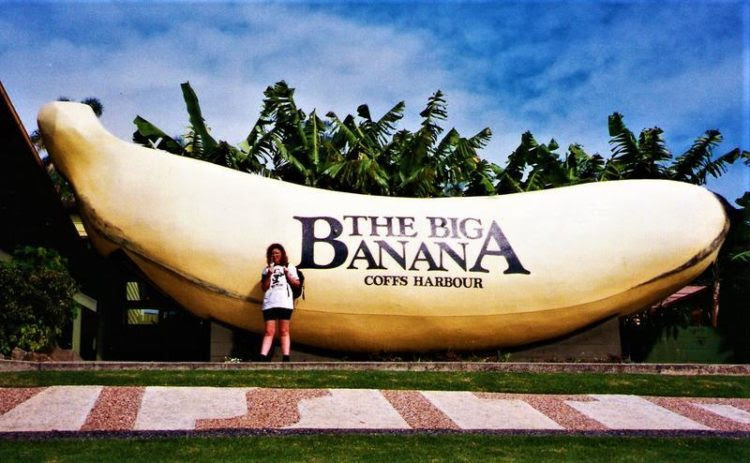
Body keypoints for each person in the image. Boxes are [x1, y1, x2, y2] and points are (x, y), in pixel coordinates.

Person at [259, 243, 300, 362]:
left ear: (282, 255)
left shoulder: (289, 266)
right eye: (272, 254)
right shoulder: (266, 269)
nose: (275, 255)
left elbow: (297, 283)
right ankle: (263, 356)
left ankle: (286, 356)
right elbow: (264, 287)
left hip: (284, 302)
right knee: (269, 331)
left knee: (284, 330)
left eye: (277, 253)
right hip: (270, 302)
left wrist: (287, 274)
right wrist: (270, 274)